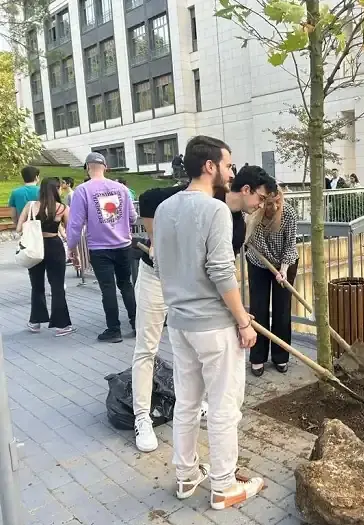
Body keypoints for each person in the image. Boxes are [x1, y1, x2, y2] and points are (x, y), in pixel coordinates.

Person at [153, 136, 266, 509]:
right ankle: (223, 484)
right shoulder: (215, 210)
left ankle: (186, 476)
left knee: (186, 401)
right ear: (210, 166)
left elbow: (158, 263)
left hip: (180, 323)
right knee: (223, 405)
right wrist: (243, 320)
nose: (231, 173)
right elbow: (221, 270)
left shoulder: (166, 207)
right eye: (228, 165)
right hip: (214, 326)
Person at [131, 165, 275, 453]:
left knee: (190, 355)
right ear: (245, 190)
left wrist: (237, 314)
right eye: (261, 198)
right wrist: (156, 240)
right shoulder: (201, 196)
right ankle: (142, 417)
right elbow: (147, 200)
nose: (262, 205)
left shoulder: (236, 222)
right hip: (158, 276)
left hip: (192, 290)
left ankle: (193, 412)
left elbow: (223, 272)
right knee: (147, 347)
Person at [66, 152, 138, 343]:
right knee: (126, 284)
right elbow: (132, 217)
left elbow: (75, 223)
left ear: (87, 168)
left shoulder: (82, 190)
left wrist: (71, 247)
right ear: (105, 167)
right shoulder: (121, 189)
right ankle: (136, 323)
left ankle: (114, 330)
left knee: (107, 287)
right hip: (123, 244)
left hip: (99, 248)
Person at [246, 189, 298, 377]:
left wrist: (283, 270)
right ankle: (257, 357)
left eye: (277, 202)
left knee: (282, 309)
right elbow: (250, 242)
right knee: (258, 309)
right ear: (261, 203)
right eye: (269, 203)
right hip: (258, 262)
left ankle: (280, 355)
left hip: (285, 262)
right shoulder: (253, 216)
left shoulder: (289, 214)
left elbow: (290, 245)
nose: (274, 207)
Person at [16, 178, 75, 336]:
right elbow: (70, 232)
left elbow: (19, 228)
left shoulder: (30, 206)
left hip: (35, 247)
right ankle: (62, 325)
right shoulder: (62, 208)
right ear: (56, 189)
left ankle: (35, 322)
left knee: (36, 285)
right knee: (57, 286)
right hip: (54, 246)